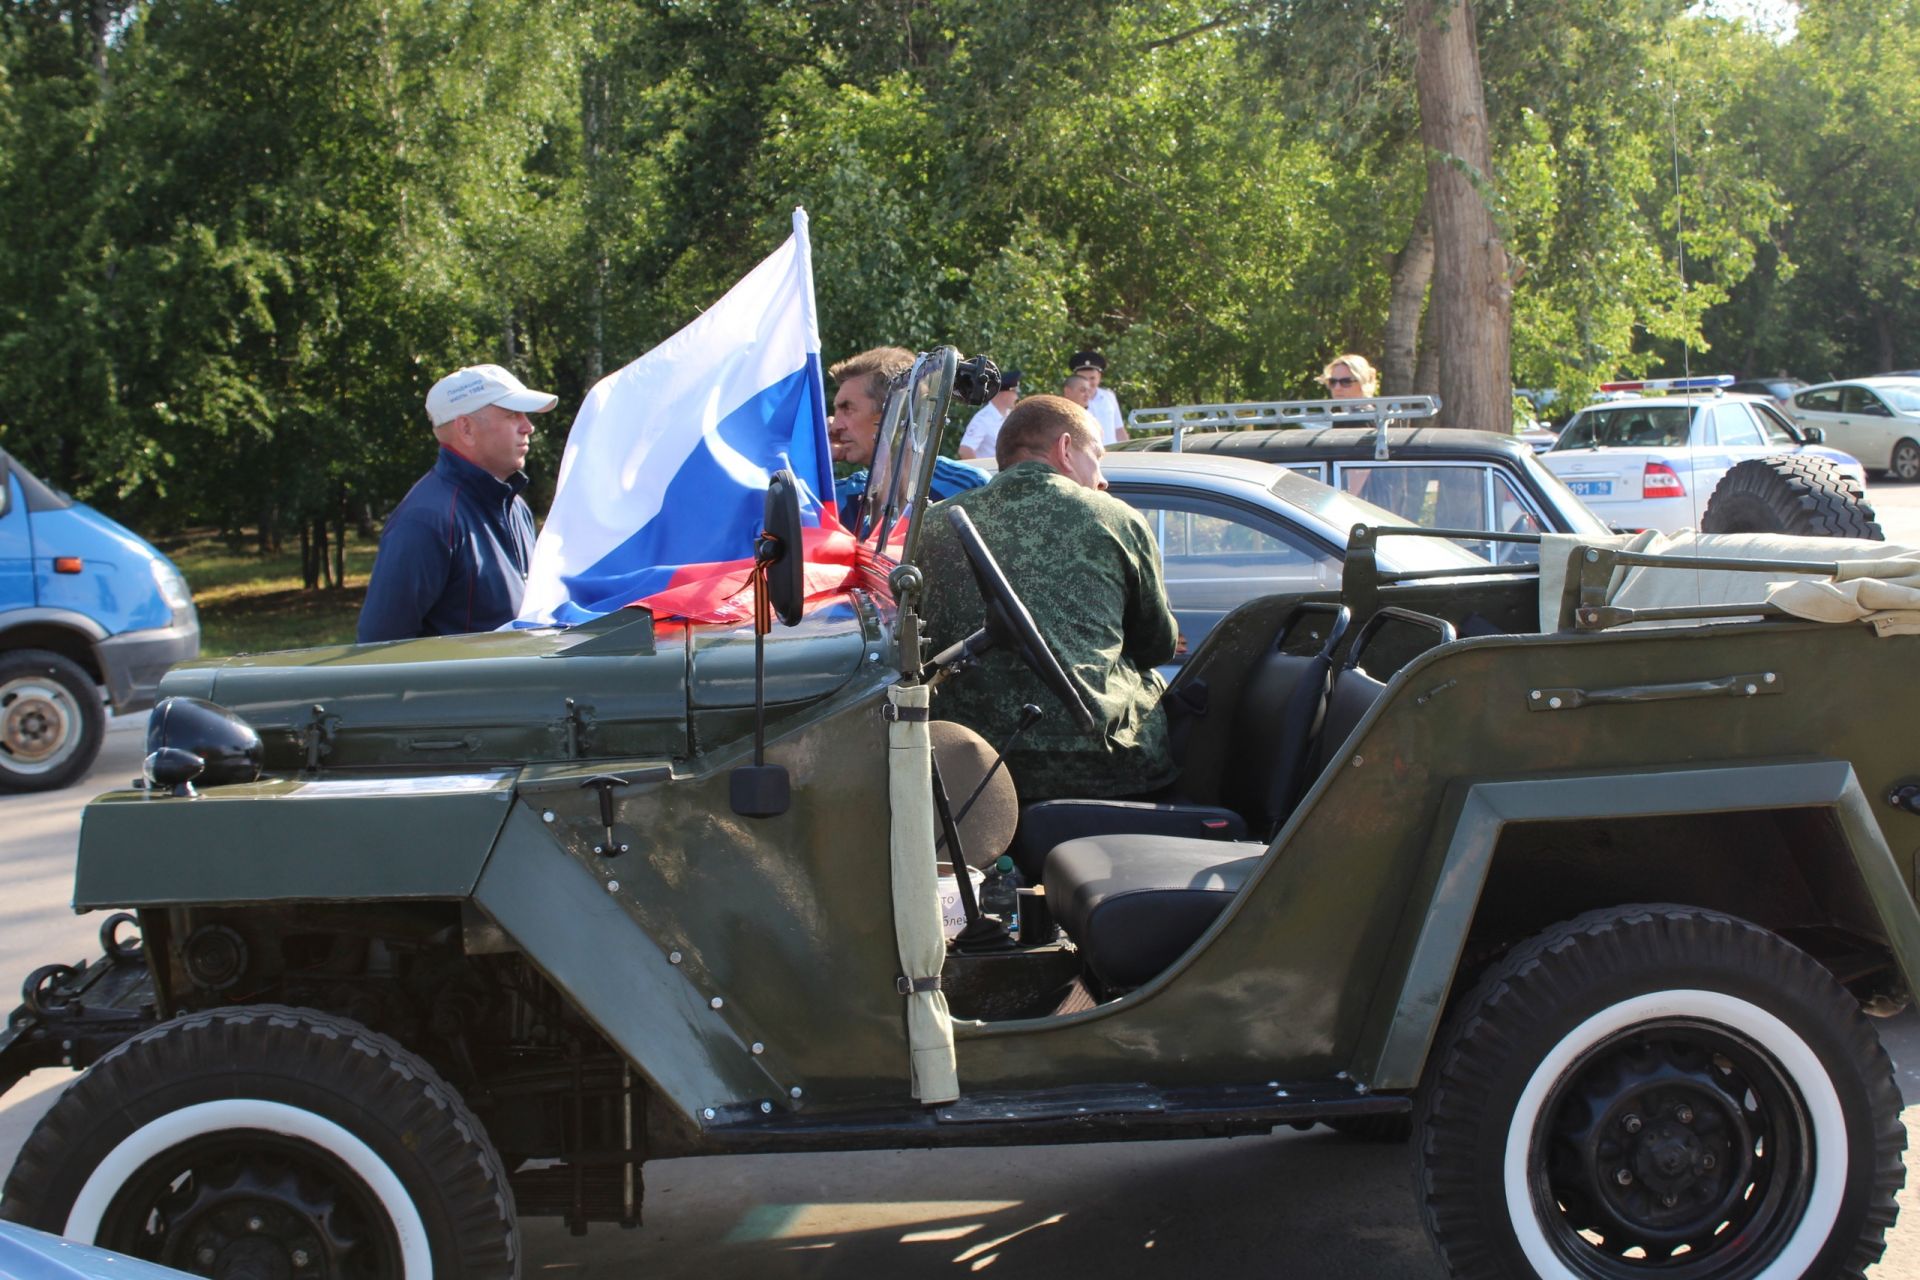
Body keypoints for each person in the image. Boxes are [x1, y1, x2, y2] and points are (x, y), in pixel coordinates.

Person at [918, 395, 1178, 802]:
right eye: (1098, 457)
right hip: (1098, 766)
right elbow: (1156, 646)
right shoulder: (1114, 517)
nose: (1103, 479)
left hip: (965, 766)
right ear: (1065, 449)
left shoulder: (931, 524)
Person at [357, 363, 557, 643]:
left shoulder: (515, 506)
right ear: (466, 428)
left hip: (521, 686)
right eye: (513, 414)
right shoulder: (425, 520)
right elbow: (379, 648)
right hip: (470, 689)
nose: (528, 427)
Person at [828, 346, 986, 522]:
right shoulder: (844, 497)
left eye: (847, 408)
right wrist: (811, 456)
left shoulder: (968, 488)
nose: (834, 426)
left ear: (893, 412)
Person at [958, 367, 1021, 460]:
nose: (1017, 396)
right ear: (1004, 393)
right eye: (1015, 391)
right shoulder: (983, 419)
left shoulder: (1010, 416)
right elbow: (965, 450)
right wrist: (980, 474)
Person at [1069, 349, 1129, 444]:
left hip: (1113, 454)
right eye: (1083, 378)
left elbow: (1119, 430)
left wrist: (1129, 454)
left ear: (1100, 377)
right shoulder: (1071, 400)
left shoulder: (1109, 396)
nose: (1088, 383)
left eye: (1092, 378)